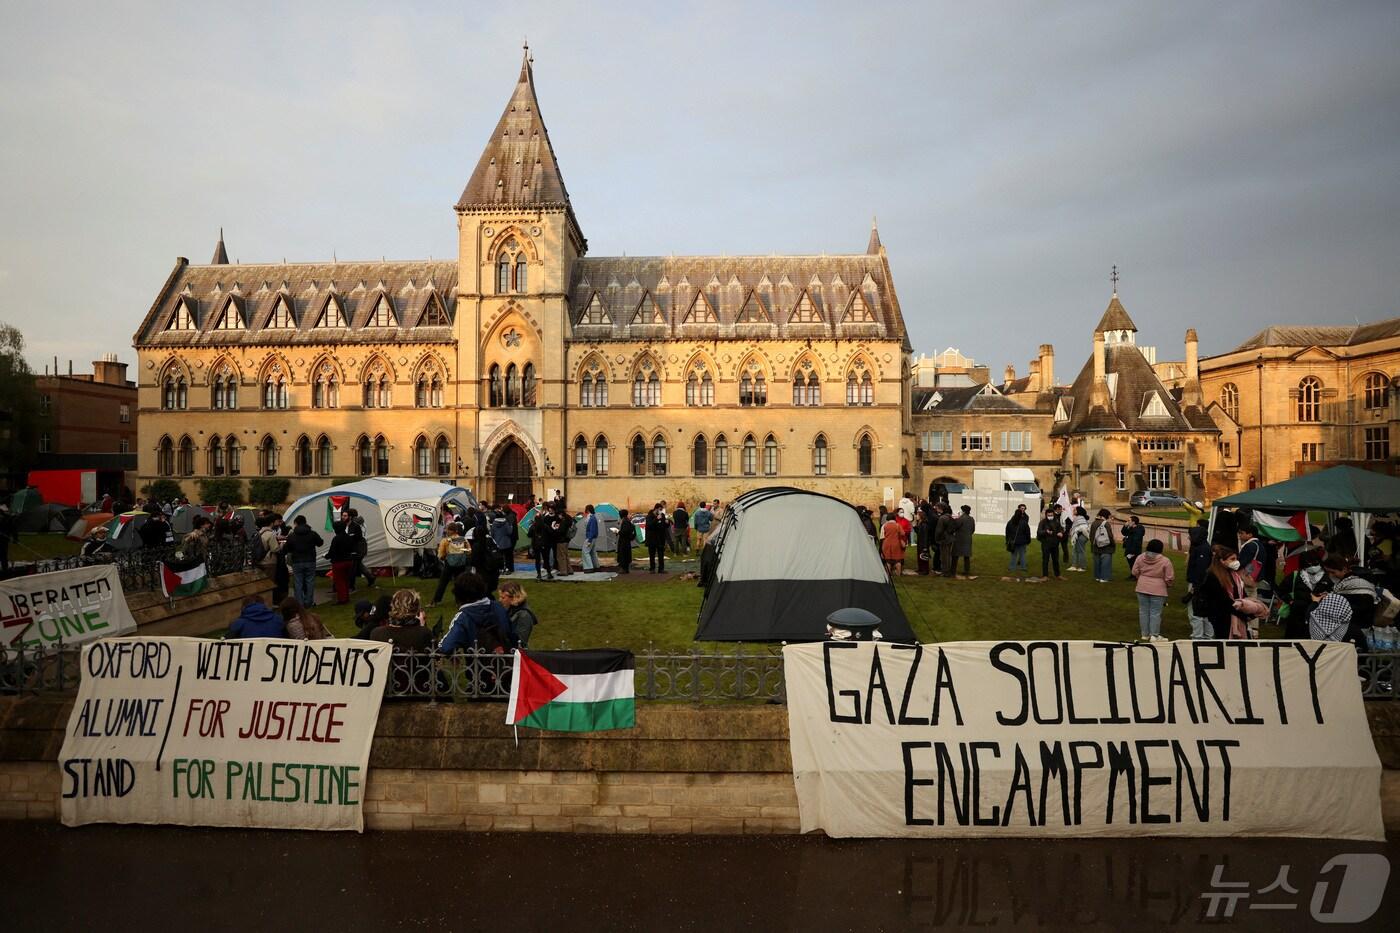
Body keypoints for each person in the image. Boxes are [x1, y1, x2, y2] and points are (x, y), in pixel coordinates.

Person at [437, 572, 515, 654]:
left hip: (478, 664)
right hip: (506, 661)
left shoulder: (463, 617)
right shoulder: (498, 607)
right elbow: (510, 633)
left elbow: (446, 646)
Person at [1192, 545, 1247, 639]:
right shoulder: (1213, 576)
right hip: (1220, 616)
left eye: (1236, 559)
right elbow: (1221, 599)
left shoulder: (1233, 575)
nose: (1236, 562)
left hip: (1232, 613)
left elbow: (1239, 593)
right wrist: (1240, 611)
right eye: (1232, 559)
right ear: (1222, 561)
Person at [1132, 539, 1174, 641]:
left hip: (1142, 587)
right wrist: (1167, 585)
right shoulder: (1165, 561)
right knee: (1155, 612)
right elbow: (1169, 577)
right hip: (1158, 589)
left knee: (1143, 611)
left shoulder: (1140, 557)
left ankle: (1145, 634)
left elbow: (1134, 571)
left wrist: (1141, 578)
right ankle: (1154, 635)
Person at [1277, 549, 1325, 639]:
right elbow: (1281, 590)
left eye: (1315, 563)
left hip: (1320, 616)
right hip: (1297, 616)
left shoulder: (1326, 576)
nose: (1312, 566)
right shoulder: (1295, 576)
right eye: (1309, 564)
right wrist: (1290, 601)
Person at [279, 514, 323, 608]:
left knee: (298, 583)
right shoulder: (312, 533)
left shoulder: (292, 535)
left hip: (297, 561)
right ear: (305, 522)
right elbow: (320, 543)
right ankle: (308, 602)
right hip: (310, 560)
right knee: (310, 582)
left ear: (296, 523)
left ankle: (300, 603)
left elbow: (286, 549)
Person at [1184, 520, 1215, 638]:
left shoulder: (1202, 549)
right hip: (1201, 584)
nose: (1188, 538)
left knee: (1195, 610)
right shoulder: (1202, 547)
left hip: (1198, 584)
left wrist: (1195, 588)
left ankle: (1198, 635)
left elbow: (1200, 570)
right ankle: (1207, 635)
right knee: (1203, 609)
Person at [431, 523, 470, 606]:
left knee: (443, 582)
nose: (446, 531)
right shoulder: (463, 539)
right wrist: (461, 552)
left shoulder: (445, 540)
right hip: (461, 564)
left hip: (449, 563)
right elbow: (469, 551)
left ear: (451, 531)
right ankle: (459, 601)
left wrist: (445, 557)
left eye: (448, 529)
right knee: (459, 583)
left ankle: (436, 600)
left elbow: (440, 554)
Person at [326, 513, 358, 605]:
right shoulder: (348, 537)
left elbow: (332, 552)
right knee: (345, 580)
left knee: (339, 582)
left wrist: (327, 556)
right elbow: (352, 548)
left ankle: (342, 599)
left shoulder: (336, 539)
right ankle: (346, 597)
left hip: (338, 563)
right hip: (348, 561)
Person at [498, 580, 539, 647]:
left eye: (503, 597)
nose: (500, 600)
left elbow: (521, 642)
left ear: (514, 597)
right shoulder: (509, 608)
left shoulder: (524, 615)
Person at [345, 509, 376, 590]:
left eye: (347, 515)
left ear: (350, 516)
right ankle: (370, 577)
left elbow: (353, 536)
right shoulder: (362, 522)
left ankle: (351, 584)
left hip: (358, 546)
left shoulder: (354, 524)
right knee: (358, 564)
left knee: (354, 565)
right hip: (363, 545)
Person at [1036, 507, 1063, 580]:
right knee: (1045, 560)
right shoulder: (1042, 522)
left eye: (1051, 515)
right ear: (1046, 515)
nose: (1050, 516)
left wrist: (1060, 532)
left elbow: (1060, 529)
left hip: (1055, 544)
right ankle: (1045, 575)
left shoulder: (1056, 521)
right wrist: (1046, 532)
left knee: (1056, 560)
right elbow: (1039, 532)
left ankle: (1057, 574)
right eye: (1049, 515)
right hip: (1046, 544)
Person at [1004, 504, 1031, 578]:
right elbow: (1027, 532)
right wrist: (1028, 540)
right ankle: (1023, 567)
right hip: (1022, 541)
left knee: (1013, 555)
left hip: (1013, 541)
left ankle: (1012, 567)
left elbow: (1007, 532)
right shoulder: (1024, 523)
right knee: (1022, 555)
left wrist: (1007, 540)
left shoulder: (1010, 522)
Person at [1090, 509, 1116, 583]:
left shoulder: (1094, 523)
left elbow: (1091, 535)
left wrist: (1093, 543)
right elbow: (1110, 536)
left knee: (1097, 563)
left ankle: (1097, 576)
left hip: (1096, 546)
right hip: (1106, 547)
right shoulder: (1106, 524)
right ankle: (1105, 577)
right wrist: (1113, 544)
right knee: (1106, 563)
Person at [880, 510, 907, 579]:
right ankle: (898, 574)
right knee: (897, 560)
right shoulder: (897, 525)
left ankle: (888, 575)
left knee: (888, 560)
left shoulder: (884, 525)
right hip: (896, 544)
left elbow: (882, 536)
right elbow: (903, 533)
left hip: (886, 544)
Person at [490, 507, 516, 574]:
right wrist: (511, 527)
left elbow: (492, 534)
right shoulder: (506, 523)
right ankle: (509, 569)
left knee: (499, 558)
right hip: (506, 543)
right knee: (508, 557)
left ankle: (500, 569)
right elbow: (509, 532)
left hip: (498, 543)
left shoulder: (494, 524)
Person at [529, 511, 554, 580]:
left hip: (536, 545)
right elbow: (550, 533)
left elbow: (529, 535)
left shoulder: (533, 526)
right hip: (545, 545)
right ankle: (549, 573)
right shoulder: (545, 526)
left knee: (537, 560)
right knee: (546, 559)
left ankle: (539, 574)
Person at [953, 504, 976, 579]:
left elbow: (955, 526)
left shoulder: (961, 519)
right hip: (968, 539)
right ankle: (967, 570)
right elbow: (973, 530)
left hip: (959, 539)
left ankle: (953, 570)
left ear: (963, 511)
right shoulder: (971, 519)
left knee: (955, 555)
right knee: (966, 556)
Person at [934, 505, 957, 579]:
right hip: (950, 538)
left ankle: (945, 572)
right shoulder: (950, 517)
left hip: (944, 539)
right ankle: (947, 571)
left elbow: (939, 530)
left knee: (944, 556)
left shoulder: (942, 518)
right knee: (947, 556)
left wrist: (937, 539)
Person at [645, 503, 668, 573]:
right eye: (660, 509)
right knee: (652, 555)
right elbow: (649, 526)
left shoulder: (662, 515)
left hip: (660, 538)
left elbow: (663, 526)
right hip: (652, 538)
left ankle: (661, 569)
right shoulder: (649, 516)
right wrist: (656, 519)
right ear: (656, 509)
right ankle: (652, 568)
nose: (661, 511)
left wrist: (667, 523)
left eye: (662, 510)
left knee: (661, 554)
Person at [551, 506, 573, 578]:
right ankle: (569, 570)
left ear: (561, 514)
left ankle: (563, 571)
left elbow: (561, 531)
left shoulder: (563, 521)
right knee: (566, 555)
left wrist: (554, 528)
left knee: (561, 556)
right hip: (566, 540)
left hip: (561, 540)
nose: (558, 516)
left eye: (558, 515)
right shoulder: (568, 519)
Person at [1068, 507, 1090, 572]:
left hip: (1081, 537)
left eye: (1075, 510)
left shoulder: (1080, 518)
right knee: (1075, 551)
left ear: (1078, 511)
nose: (1073, 510)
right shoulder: (1079, 518)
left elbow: (1084, 528)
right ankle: (1074, 566)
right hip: (1078, 536)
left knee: (1080, 551)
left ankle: (1082, 567)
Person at [913, 504, 931, 576]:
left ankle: (925, 570)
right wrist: (915, 528)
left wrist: (925, 546)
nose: (916, 516)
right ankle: (920, 568)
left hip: (923, 543)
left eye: (918, 515)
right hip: (920, 542)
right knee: (920, 556)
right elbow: (919, 533)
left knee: (923, 556)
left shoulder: (924, 524)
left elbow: (925, 536)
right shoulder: (920, 524)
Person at [616, 508, 635, 574]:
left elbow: (625, 532)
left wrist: (618, 531)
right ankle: (625, 569)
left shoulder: (625, 522)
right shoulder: (626, 521)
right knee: (625, 554)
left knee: (623, 554)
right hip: (625, 541)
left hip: (624, 541)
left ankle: (624, 568)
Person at [581, 505, 600, 572]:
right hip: (593, 537)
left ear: (588, 510)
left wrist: (589, 540)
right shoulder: (593, 517)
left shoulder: (591, 518)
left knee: (585, 551)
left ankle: (588, 567)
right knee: (592, 552)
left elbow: (592, 530)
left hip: (590, 537)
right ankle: (596, 566)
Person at [0, 503, 14, 573]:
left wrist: (15, 538)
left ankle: (5, 568)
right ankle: (4, 568)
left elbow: (12, 528)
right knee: (3, 554)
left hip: (4, 539)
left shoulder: (8, 518)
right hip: (3, 538)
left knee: (3, 554)